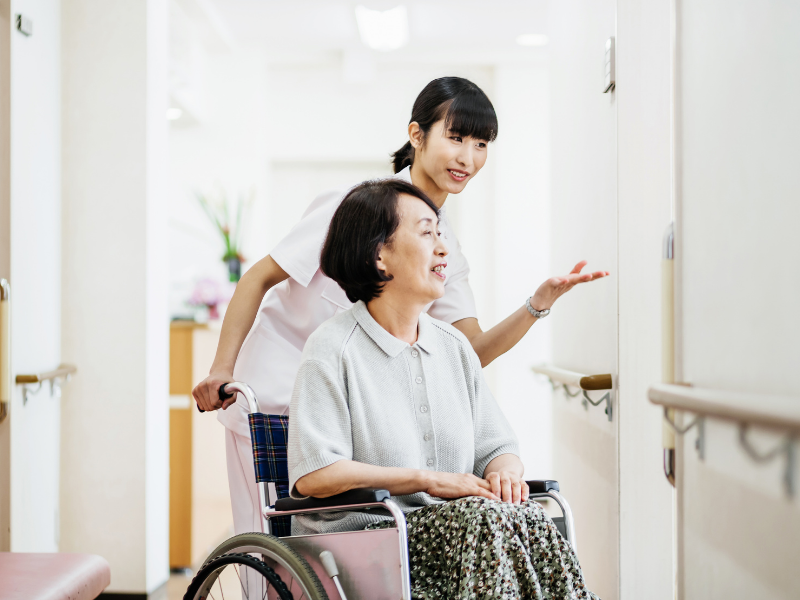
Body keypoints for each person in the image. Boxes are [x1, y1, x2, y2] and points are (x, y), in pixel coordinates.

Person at [192, 76, 608, 539]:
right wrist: (220, 367)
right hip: (272, 394)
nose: (467, 157)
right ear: (417, 135)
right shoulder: (356, 209)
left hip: (351, 411)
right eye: (455, 137)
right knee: (268, 540)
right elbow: (260, 277)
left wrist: (537, 305)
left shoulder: (442, 250)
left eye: (481, 143)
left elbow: (470, 350)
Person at [289, 179, 599, 599]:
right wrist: (427, 480)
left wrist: (504, 474)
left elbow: (497, 446)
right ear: (380, 255)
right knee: (484, 519)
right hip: (369, 542)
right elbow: (315, 476)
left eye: (440, 233)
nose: (442, 248)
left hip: (462, 536)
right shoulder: (332, 349)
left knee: (530, 515)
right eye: (425, 233)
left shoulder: (452, 347)